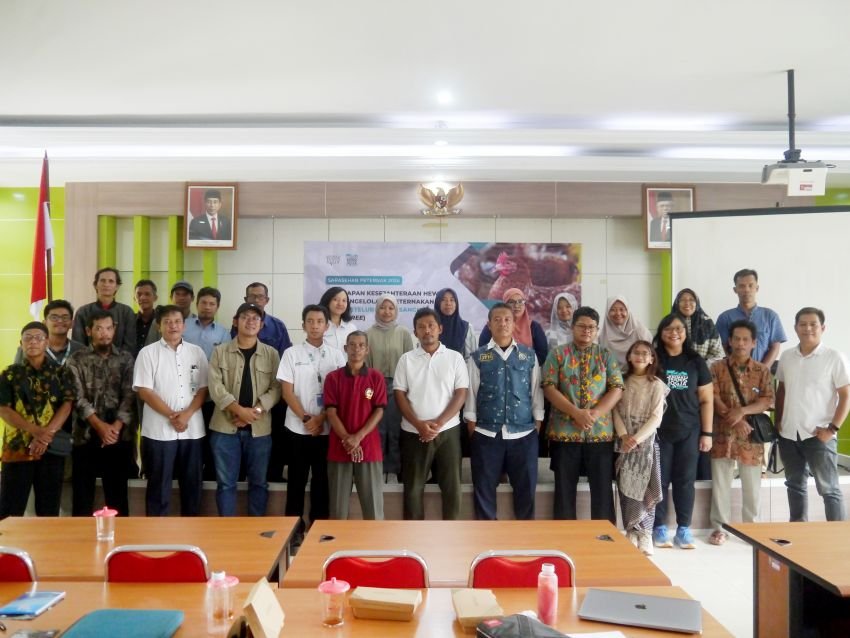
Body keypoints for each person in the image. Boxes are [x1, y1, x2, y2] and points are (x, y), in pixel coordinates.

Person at [542, 306, 624, 523]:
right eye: (582, 326)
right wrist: (576, 413)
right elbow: (549, 387)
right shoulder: (558, 354)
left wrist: (594, 415)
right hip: (564, 433)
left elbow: (617, 388)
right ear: (572, 327)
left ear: (597, 330)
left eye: (591, 327)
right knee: (564, 490)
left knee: (602, 490)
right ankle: (565, 538)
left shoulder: (605, 355)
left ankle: (605, 538)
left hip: (600, 435)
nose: (587, 330)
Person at [465, 303, 544, 520]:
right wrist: (472, 425)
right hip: (486, 434)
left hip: (524, 434)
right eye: (497, 319)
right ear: (489, 325)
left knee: (526, 493)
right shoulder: (478, 357)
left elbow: (536, 390)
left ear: (514, 323)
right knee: (483, 491)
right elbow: (471, 393)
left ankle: (524, 542)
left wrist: (537, 423)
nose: (503, 323)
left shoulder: (528, 356)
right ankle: (486, 543)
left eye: (507, 319)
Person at [277, 305, 346, 540]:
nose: (315, 325)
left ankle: (319, 528)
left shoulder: (337, 355)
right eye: (310, 321)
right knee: (296, 480)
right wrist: (307, 418)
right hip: (297, 427)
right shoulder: (291, 353)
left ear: (327, 325)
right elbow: (286, 391)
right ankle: (294, 530)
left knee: (322, 481)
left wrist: (321, 418)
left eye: (319, 321)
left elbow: (340, 394)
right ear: (303, 324)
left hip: (327, 429)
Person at [776, 307, 850, 522]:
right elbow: (782, 390)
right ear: (795, 328)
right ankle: (799, 534)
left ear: (822, 328)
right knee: (794, 486)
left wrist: (832, 429)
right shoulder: (787, 356)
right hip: (789, 434)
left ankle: (837, 540)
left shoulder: (834, 357)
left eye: (813, 324)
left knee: (829, 489)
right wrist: (779, 421)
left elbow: (846, 396)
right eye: (802, 324)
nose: (807, 328)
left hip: (819, 435)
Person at [133, 305, 208, 516]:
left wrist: (186, 415)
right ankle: (156, 534)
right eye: (167, 322)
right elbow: (144, 391)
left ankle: (191, 530)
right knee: (158, 485)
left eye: (177, 321)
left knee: (192, 485)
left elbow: (203, 388)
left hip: (192, 430)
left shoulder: (197, 352)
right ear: (159, 326)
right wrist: (172, 415)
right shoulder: (147, 353)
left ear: (184, 325)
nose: (173, 326)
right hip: (158, 431)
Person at [394, 308, 469, 520]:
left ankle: (451, 534)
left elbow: (461, 394)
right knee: (413, 488)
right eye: (421, 327)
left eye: (431, 326)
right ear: (415, 332)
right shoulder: (406, 360)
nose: (427, 331)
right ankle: (414, 539)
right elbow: (399, 395)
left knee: (452, 487)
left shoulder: (454, 358)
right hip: (413, 432)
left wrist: (438, 423)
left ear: (440, 329)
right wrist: (419, 425)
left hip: (448, 432)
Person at [207, 303, 281, 516]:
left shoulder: (271, 354)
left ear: (262, 324)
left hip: (259, 431)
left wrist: (254, 412)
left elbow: (277, 388)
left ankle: (255, 532)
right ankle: (227, 531)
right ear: (235, 321)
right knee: (226, 485)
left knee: (259, 484)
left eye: (255, 318)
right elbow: (215, 387)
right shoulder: (220, 352)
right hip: (224, 429)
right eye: (245, 317)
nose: (250, 321)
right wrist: (239, 411)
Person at [708, 320, 774, 545]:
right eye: (736, 338)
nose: (740, 343)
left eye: (746, 339)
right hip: (722, 434)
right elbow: (713, 397)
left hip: (751, 436)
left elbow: (767, 400)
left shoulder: (762, 370)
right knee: (720, 483)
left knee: (752, 484)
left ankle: (751, 528)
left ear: (754, 342)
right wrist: (735, 421)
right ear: (729, 341)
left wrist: (742, 413)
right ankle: (719, 528)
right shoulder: (716, 367)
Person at [0, 321, 75, 518]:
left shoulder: (61, 372)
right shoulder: (9, 374)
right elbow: (4, 410)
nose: (33, 342)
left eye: (38, 338)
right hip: (17, 449)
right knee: (10, 509)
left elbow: (67, 405)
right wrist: (36, 431)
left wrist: (45, 436)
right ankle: (8, 549)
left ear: (47, 343)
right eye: (28, 338)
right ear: (21, 343)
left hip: (51, 449)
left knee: (49, 509)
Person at [651, 313, 713, 549]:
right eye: (668, 328)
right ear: (661, 332)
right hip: (660, 431)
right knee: (660, 480)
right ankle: (659, 527)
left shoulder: (695, 361)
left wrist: (707, 434)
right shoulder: (655, 360)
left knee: (685, 481)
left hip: (690, 431)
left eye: (678, 328)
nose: (674, 332)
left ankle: (684, 529)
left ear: (685, 333)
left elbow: (707, 399)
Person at [66, 310, 136, 517]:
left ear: (114, 330)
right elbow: (77, 397)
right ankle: (80, 545)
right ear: (88, 331)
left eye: (108, 328)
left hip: (118, 435)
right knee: (82, 496)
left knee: (118, 497)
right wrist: (100, 427)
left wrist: (114, 428)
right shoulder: (76, 359)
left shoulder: (126, 358)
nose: (104, 333)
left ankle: (121, 543)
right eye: (98, 328)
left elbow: (130, 396)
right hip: (85, 434)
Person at [324, 331, 387, 520]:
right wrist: (348, 440)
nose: (356, 349)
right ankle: (338, 548)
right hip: (339, 448)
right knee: (337, 509)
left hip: (368, 448)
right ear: (345, 348)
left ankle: (375, 549)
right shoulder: (333, 378)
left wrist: (357, 438)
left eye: (361, 345)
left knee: (373, 508)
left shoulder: (376, 377)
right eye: (352, 345)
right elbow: (331, 412)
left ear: (367, 350)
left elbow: (379, 410)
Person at [613, 340, 667, 556]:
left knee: (646, 486)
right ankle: (630, 531)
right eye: (637, 352)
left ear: (652, 358)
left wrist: (636, 438)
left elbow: (656, 416)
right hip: (624, 441)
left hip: (646, 443)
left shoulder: (656, 384)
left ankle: (645, 533)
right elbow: (614, 411)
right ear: (629, 356)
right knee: (627, 488)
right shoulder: (620, 382)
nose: (641, 356)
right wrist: (624, 435)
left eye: (646, 353)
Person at [236, 282, 293, 484]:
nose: (256, 300)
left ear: (266, 301)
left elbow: (287, 360)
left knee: (275, 437)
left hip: (272, 394)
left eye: (260, 297)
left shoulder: (278, 326)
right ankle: (242, 477)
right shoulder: (238, 325)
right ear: (246, 300)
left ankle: (273, 475)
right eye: (252, 297)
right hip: (242, 396)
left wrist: (264, 403)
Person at [365, 294, 414, 483]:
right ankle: (378, 467)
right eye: (383, 308)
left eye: (391, 308)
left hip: (399, 386)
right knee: (377, 429)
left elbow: (410, 362)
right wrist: (368, 393)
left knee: (395, 429)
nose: (387, 311)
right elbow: (365, 365)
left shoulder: (403, 332)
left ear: (396, 311)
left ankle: (393, 469)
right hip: (374, 387)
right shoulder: (368, 333)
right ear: (377, 310)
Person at [715, 269, 787, 370]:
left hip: (762, 375)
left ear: (757, 288)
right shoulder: (725, 317)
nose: (747, 290)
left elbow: (775, 346)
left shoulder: (770, 316)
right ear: (735, 290)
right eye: (742, 286)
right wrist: (735, 368)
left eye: (750, 285)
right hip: (733, 375)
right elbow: (722, 346)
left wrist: (762, 370)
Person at [72, 267, 136, 353]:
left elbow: (130, 346)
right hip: (87, 363)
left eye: (111, 281)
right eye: (102, 281)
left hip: (120, 363)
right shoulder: (83, 312)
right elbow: (78, 345)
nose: (106, 284)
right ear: (95, 285)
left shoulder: (127, 312)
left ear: (117, 286)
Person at [478, 288, 548, 365]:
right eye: (511, 302)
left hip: (528, 371)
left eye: (520, 302)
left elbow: (542, 355)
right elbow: (483, 352)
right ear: (505, 305)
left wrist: (520, 364)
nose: (517, 305)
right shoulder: (493, 326)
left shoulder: (534, 327)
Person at [14, 299, 84, 365]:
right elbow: (16, 374)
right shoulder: (27, 349)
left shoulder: (81, 350)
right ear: (44, 323)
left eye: (65, 317)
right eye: (54, 317)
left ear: (72, 323)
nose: (60, 321)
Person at [672, 288, 724, 365]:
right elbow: (660, 350)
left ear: (697, 303)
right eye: (682, 300)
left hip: (702, 371)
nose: (687, 303)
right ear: (677, 303)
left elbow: (717, 354)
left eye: (691, 300)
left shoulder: (707, 323)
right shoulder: (669, 322)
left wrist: (701, 368)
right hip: (674, 371)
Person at [598, 296, 653, 367]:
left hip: (637, 374)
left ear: (628, 311)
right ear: (607, 312)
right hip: (609, 375)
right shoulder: (601, 335)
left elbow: (649, 356)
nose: (618, 313)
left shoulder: (641, 332)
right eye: (613, 310)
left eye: (622, 309)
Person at [182, 287, 231, 360]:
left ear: (217, 307)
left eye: (212, 304)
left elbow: (225, 359)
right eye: (204, 303)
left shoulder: (223, 333)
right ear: (197, 304)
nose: (207, 307)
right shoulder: (182, 325)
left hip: (212, 371)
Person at [434, 288, 478, 361]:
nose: (448, 303)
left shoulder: (466, 328)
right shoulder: (431, 328)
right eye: (443, 300)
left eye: (452, 300)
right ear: (438, 303)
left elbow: (472, 359)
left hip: (460, 371)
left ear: (456, 304)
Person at [319, 286, 357, 351]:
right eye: (335, 299)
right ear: (327, 301)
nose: (340, 304)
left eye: (344, 300)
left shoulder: (351, 328)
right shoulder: (319, 326)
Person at [133, 279, 160, 356]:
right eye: (139, 294)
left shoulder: (161, 321)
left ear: (155, 297)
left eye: (147, 294)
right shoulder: (129, 320)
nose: (142, 298)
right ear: (134, 298)